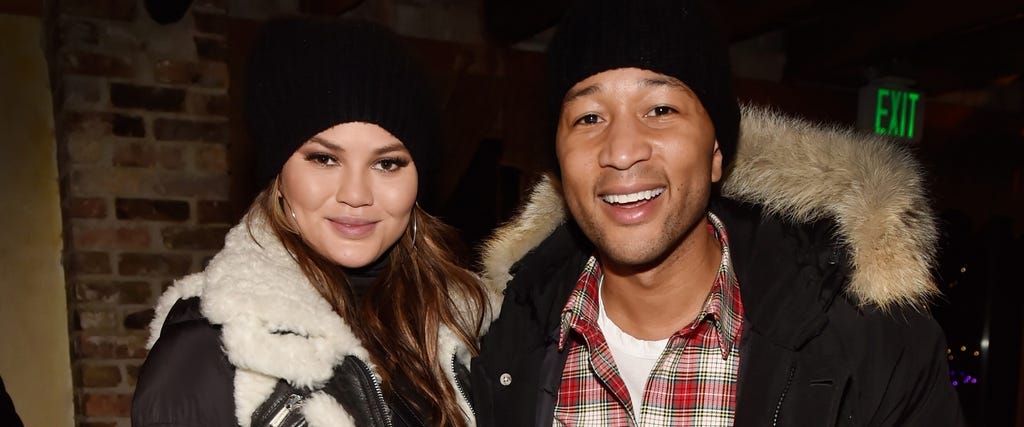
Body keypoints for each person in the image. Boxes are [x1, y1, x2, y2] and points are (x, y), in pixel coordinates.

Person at [470, 0, 965, 425]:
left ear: (715, 153)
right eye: (589, 117)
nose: (621, 151)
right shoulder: (490, 346)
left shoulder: (873, 350)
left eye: (660, 110)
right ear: (558, 161)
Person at [132, 17, 487, 427]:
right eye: (324, 158)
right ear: (279, 176)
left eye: (387, 163)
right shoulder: (208, 352)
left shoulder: (472, 326)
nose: (356, 194)